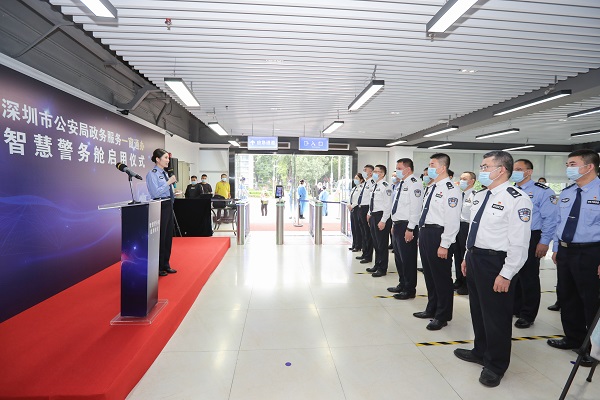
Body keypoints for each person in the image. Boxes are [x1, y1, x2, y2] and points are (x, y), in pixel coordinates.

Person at [454, 150, 532, 388]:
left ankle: (496, 365)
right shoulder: (480, 195)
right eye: (482, 167)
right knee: (478, 310)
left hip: (496, 262)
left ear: (501, 170)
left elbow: (520, 242)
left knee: (496, 316)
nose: (482, 171)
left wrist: (507, 273)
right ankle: (480, 351)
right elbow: (474, 230)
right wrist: (467, 256)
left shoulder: (517, 198)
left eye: (486, 167)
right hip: (475, 258)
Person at [547, 149, 600, 368]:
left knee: (591, 300)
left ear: (589, 167)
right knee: (567, 296)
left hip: (591, 252)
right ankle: (573, 338)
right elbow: (560, 222)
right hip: (566, 251)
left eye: (572, 164)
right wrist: (556, 247)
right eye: (567, 164)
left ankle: (593, 349)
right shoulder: (568, 192)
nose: (568, 168)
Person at [413, 153, 461, 330]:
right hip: (426, 232)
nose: (429, 168)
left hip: (440, 234)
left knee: (441, 277)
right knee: (429, 275)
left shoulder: (451, 189)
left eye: (432, 165)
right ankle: (431, 308)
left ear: (442, 168)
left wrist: (444, 244)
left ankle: (442, 315)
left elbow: (452, 220)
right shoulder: (432, 187)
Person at [510, 159, 558, 329]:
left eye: (519, 169)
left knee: (528, 277)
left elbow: (550, 219)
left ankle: (527, 314)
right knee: (512, 273)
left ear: (529, 172)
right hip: (511, 237)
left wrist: (544, 242)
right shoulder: (510, 190)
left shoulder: (542, 191)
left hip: (531, 236)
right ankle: (515, 308)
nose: (514, 172)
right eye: (513, 169)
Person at [388, 158, 423, 299]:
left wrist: (410, 229)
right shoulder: (401, 184)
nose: (396, 171)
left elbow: (416, 208)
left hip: (407, 225)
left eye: (399, 168)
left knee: (408, 259)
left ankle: (409, 289)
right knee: (399, 258)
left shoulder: (415, 184)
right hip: (398, 225)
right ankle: (402, 284)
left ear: (408, 169)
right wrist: (393, 224)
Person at [146, 148, 178, 277]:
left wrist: (173, 191)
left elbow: (166, 189)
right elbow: (155, 193)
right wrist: (168, 183)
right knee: (160, 237)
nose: (168, 160)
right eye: (165, 158)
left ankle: (166, 264)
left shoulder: (165, 173)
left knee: (168, 236)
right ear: (157, 159)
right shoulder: (152, 174)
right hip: (160, 205)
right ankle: (157, 267)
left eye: (168, 158)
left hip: (168, 204)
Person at [365, 164, 392, 277]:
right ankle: (377, 265)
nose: (373, 173)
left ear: (382, 174)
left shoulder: (386, 186)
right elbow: (373, 202)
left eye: (376, 171)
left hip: (381, 216)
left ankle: (382, 268)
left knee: (382, 244)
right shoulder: (375, 186)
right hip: (374, 216)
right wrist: (369, 213)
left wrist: (383, 220)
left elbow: (388, 205)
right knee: (376, 243)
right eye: (374, 171)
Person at [453, 171, 476, 295]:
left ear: (472, 181)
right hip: (456, 226)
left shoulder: (475, 195)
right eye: (461, 178)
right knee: (457, 255)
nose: (461, 180)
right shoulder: (457, 194)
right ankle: (459, 279)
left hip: (467, 227)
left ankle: (466, 284)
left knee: (465, 256)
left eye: (465, 179)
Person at [356, 165, 375, 264]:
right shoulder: (365, 183)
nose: (363, 172)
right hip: (360, 208)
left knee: (367, 234)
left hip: (366, 209)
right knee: (363, 233)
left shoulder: (372, 183)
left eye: (365, 170)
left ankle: (368, 256)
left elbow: (371, 199)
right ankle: (364, 252)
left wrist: (369, 212)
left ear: (371, 172)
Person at [348, 173, 364, 252]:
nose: (355, 180)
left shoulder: (361, 188)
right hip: (352, 209)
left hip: (357, 208)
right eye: (355, 178)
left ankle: (358, 245)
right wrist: (349, 204)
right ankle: (354, 244)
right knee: (353, 227)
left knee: (357, 228)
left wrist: (352, 205)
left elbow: (358, 199)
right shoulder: (354, 188)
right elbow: (350, 198)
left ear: (361, 180)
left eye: (357, 178)